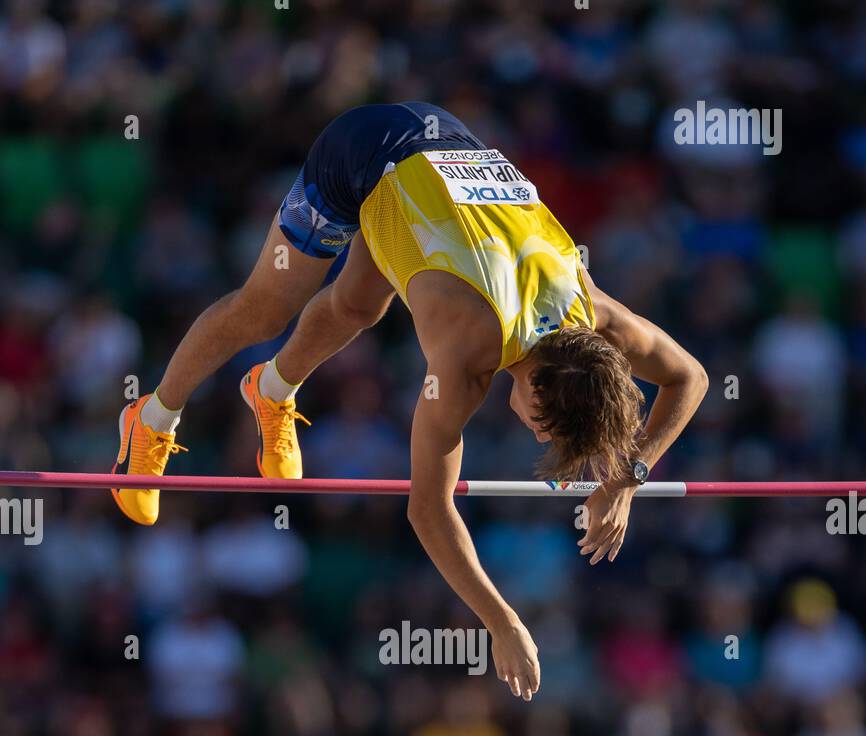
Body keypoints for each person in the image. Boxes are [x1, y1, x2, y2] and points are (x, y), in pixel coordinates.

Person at [114, 102, 707, 700]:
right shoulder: (466, 354)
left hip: (444, 162)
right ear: (534, 385)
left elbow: (691, 378)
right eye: (546, 427)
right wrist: (503, 622)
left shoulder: (593, 313)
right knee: (266, 309)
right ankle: (152, 416)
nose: (538, 436)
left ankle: (271, 390)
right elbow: (427, 509)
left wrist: (630, 474)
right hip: (365, 154)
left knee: (358, 308)